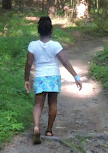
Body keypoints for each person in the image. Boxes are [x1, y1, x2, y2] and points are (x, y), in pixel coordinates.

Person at [25, 16, 82, 144]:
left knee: (38, 104)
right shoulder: (55, 45)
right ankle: (49, 130)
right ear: (51, 31)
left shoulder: (33, 45)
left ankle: (36, 127)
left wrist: (26, 79)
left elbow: (28, 63)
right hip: (53, 77)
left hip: (40, 76)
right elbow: (65, 62)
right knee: (53, 103)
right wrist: (76, 77)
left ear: (38, 31)